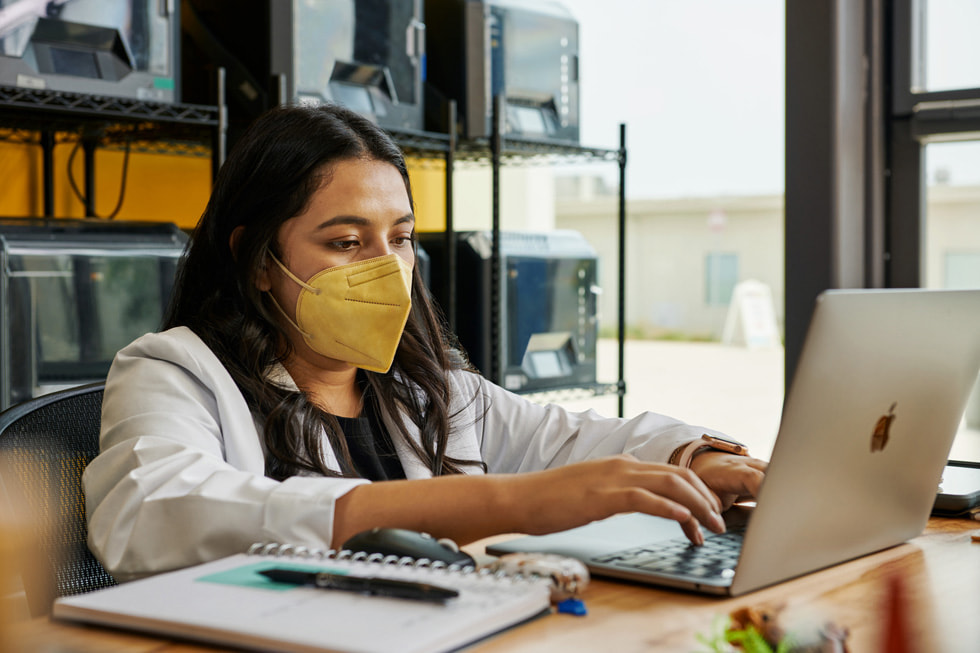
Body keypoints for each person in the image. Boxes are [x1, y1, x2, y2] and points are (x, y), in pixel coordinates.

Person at [83, 103, 767, 581]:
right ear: (258, 258)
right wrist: (512, 502)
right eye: (347, 242)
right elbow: (151, 512)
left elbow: (575, 441)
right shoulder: (173, 370)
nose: (387, 266)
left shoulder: (425, 391)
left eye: (402, 237)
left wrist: (696, 459)